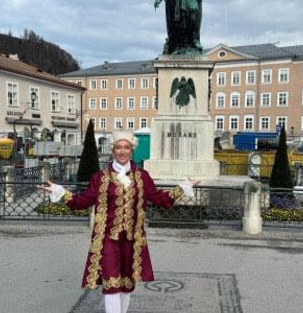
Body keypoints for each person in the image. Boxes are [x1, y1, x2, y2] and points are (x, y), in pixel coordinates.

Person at [38, 132, 199, 313]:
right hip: (107, 239)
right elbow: (81, 202)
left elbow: (159, 198)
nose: (122, 151)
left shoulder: (142, 177)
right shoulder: (100, 178)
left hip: (132, 239)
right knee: (111, 284)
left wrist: (182, 188)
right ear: (113, 150)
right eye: (118, 147)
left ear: (132, 150)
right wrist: (60, 191)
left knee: (126, 284)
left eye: (126, 147)